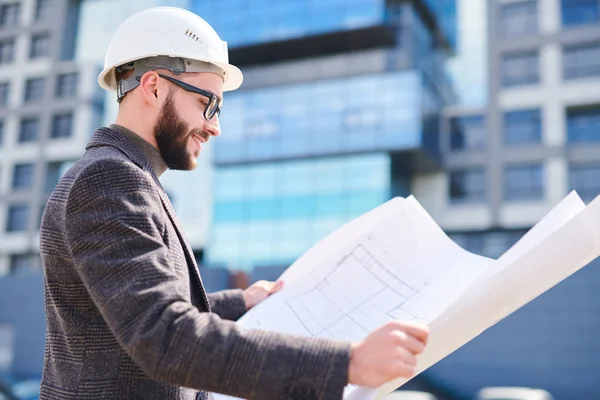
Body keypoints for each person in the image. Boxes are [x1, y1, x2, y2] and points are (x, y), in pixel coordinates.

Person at [39, 6, 429, 400]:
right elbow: (164, 336)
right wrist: (348, 363)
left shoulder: (130, 178)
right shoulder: (109, 179)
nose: (215, 126)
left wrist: (241, 302)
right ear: (154, 86)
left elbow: (140, 310)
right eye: (208, 103)